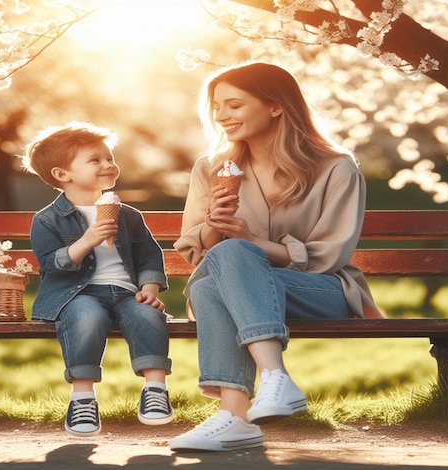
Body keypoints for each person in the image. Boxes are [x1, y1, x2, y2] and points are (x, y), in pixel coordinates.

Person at [169, 62, 382, 452]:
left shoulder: (335, 168)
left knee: (228, 262)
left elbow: (328, 255)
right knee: (214, 282)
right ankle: (259, 394)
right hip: (234, 291)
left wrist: (252, 241)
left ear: (275, 106)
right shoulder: (213, 168)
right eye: (217, 107)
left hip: (320, 290)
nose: (222, 116)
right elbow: (195, 253)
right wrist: (215, 224)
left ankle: (242, 410)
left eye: (234, 105)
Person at [21, 121, 174, 437]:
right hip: (77, 294)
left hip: (126, 292)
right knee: (86, 318)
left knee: (148, 315)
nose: (108, 164)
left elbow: (148, 254)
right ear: (63, 175)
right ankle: (82, 397)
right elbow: (51, 265)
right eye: (95, 160)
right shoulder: (47, 219)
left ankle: (156, 389)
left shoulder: (128, 214)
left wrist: (149, 288)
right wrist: (87, 240)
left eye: (109, 158)